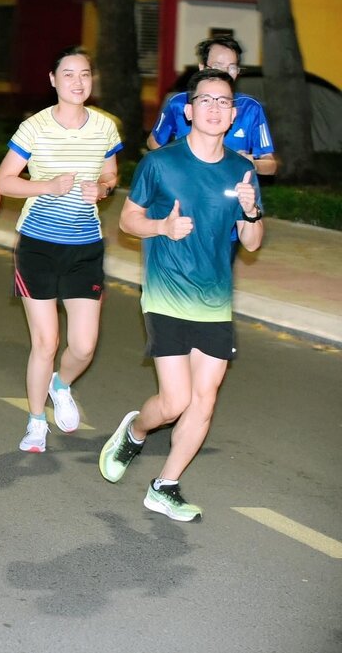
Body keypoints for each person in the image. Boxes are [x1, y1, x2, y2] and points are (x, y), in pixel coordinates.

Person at [101, 68, 263, 522]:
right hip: (166, 294)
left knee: (205, 398)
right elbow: (128, 221)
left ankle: (165, 485)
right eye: (206, 101)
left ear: (233, 114)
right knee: (174, 402)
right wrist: (162, 227)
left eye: (224, 102)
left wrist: (250, 213)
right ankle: (135, 431)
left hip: (214, 300)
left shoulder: (241, 169)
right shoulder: (162, 164)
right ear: (189, 111)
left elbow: (251, 243)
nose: (215, 109)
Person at [0, 47, 122, 453]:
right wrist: (46, 186)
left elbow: (111, 173)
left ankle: (60, 384)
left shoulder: (104, 127)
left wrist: (101, 190)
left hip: (85, 245)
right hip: (38, 246)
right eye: (68, 74)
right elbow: (3, 180)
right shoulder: (34, 128)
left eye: (84, 74)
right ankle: (36, 423)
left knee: (83, 346)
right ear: (53, 80)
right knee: (46, 342)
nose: (78, 82)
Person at [147, 35, 276, 176]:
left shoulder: (250, 108)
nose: (224, 73)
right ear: (202, 68)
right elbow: (155, 142)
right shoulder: (179, 103)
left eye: (232, 67)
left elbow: (270, 164)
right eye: (217, 66)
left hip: (231, 189)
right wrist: (174, 165)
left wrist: (251, 163)